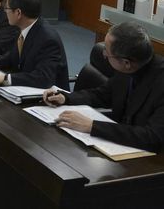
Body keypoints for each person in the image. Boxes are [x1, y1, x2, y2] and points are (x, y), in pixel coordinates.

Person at [43, 22, 164, 152]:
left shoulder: (160, 82)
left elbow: (153, 137)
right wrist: (65, 97)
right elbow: (103, 95)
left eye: (107, 50)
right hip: (119, 145)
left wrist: (92, 126)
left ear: (126, 63)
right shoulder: (128, 67)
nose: (104, 54)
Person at [0, 0, 69, 90]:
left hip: (50, 98)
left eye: (7, 8)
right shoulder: (23, 27)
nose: (5, 12)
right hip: (26, 89)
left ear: (18, 13)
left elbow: (43, 78)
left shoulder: (48, 39)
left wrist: (5, 78)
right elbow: (14, 55)